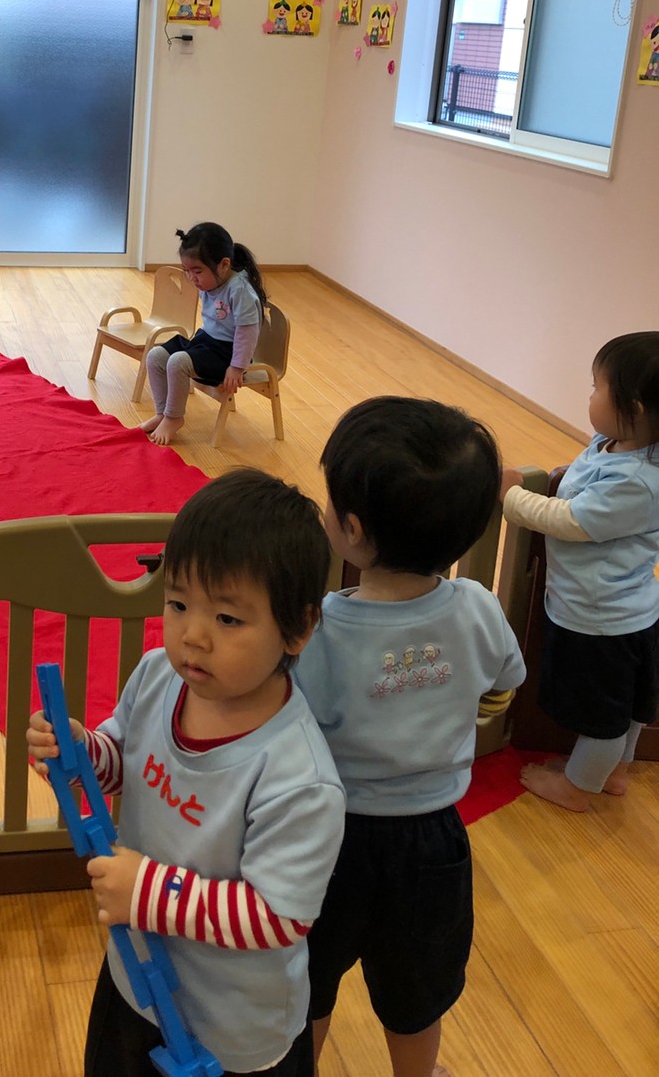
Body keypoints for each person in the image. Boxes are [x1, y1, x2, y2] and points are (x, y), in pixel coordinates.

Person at [27, 469, 346, 1077]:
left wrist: (147, 893)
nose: (193, 636)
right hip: (137, 975)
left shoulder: (299, 778)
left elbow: (280, 915)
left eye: (228, 619)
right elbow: (125, 760)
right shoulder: (156, 676)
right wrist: (82, 752)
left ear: (299, 629)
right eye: (178, 604)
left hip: (232, 1027)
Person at [294, 397, 527, 1077]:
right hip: (432, 840)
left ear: (353, 530)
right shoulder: (478, 607)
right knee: (418, 990)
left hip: (329, 834)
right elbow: (501, 687)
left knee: (309, 979)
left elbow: (294, 728)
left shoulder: (322, 628)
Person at [500, 332, 659, 811]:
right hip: (629, 610)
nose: (589, 395)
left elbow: (572, 520)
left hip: (598, 619)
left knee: (602, 718)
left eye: (597, 387)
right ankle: (613, 772)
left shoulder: (638, 481)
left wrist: (512, 497)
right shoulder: (618, 446)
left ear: (632, 407)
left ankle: (578, 787)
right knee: (626, 706)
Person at [139, 221, 265, 446]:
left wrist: (237, 367)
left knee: (178, 362)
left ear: (224, 265)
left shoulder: (240, 291)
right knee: (155, 356)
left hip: (227, 353)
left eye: (197, 272)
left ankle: (174, 418)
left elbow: (248, 334)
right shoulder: (208, 283)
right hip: (205, 342)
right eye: (187, 271)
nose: (191, 278)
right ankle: (162, 412)